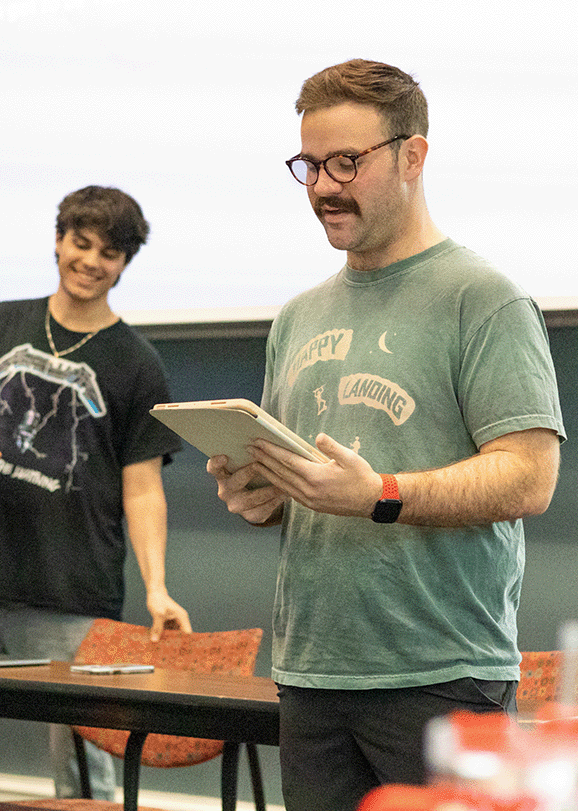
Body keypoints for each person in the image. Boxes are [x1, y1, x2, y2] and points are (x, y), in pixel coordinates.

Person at [206, 59, 564, 811]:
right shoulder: (298, 315)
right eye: (309, 165)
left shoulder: (484, 299)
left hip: (438, 673)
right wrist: (260, 491)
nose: (324, 187)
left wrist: (380, 495)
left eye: (346, 162)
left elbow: (530, 476)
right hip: (312, 671)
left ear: (412, 156)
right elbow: (302, 487)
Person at [0, 185, 191, 809]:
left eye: (109, 253)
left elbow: (143, 488)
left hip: (74, 598)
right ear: (58, 242)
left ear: (125, 264)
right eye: (81, 244)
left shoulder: (137, 363)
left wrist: (157, 588)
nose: (91, 262)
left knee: (86, 764)